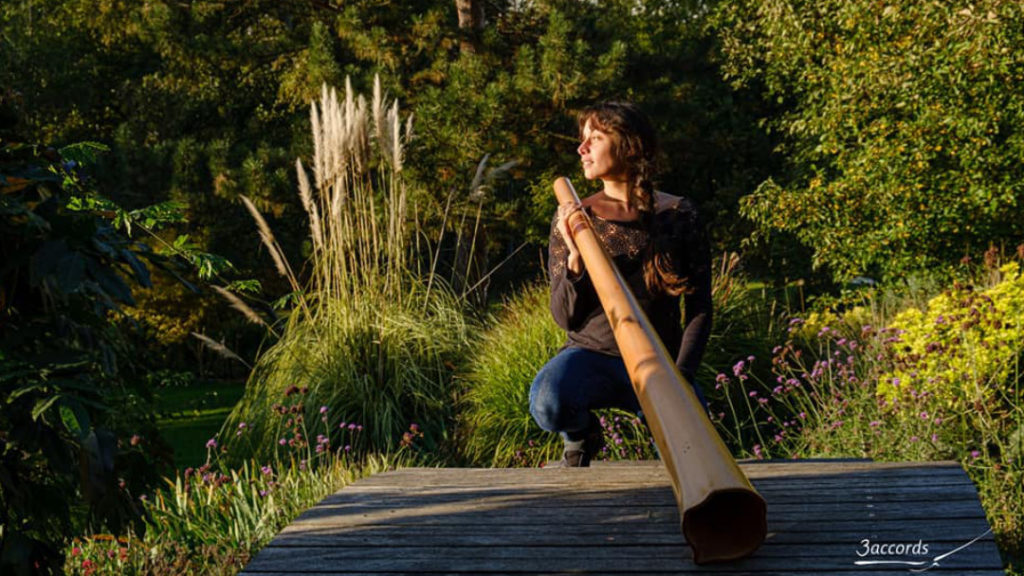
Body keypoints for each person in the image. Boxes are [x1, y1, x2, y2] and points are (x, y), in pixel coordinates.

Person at [529, 101, 713, 467]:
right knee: (548, 401)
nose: (581, 149)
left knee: (693, 454)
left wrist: (681, 376)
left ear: (628, 145)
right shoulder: (577, 217)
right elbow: (564, 316)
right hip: (591, 358)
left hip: (659, 364)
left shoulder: (679, 215)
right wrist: (575, 257)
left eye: (594, 139)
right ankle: (582, 435)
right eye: (582, 139)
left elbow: (700, 308)